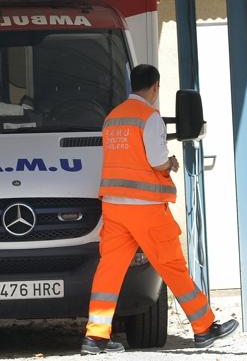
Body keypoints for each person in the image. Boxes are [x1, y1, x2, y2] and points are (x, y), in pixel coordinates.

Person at [80, 65, 238, 355]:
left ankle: (95, 337)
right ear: (155, 87)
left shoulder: (112, 118)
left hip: (114, 206)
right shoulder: (149, 118)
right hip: (146, 208)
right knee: (172, 266)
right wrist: (171, 163)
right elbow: (155, 161)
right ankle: (204, 327)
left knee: (109, 271)